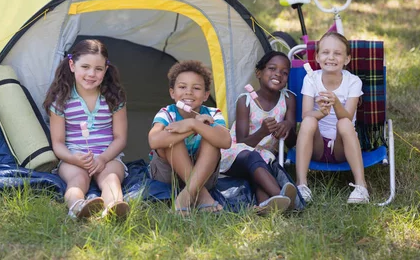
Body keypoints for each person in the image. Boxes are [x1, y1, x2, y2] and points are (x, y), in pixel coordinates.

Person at [44, 39, 129, 220]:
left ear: (105, 70)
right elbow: (57, 144)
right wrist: (73, 158)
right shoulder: (61, 100)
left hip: (108, 155)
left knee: (111, 178)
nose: (91, 74)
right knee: (77, 180)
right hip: (74, 157)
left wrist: (103, 158)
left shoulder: (113, 98)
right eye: (85, 67)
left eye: (98, 69)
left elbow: (120, 138)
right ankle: (77, 207)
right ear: (72, 65)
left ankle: (113, 208)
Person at [220, 51, 298, 214]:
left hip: (264, 157)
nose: (278, 74)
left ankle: (265, 204)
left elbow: (291, 143)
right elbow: (242, 143)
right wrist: (262, 132)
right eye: (272, 68)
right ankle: (282, 195)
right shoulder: (245, 101)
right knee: (254, 156)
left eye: (285, 72)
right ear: (259, 73)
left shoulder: (289, 99)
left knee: (263, 163)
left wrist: (286, 128)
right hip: (236, 154)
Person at [148, 60, 231, 215]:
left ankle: (186, 196)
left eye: (196, 88)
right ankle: (203, 196)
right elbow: (154, 141)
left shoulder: (212, 114)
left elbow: (225, 141)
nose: (189, 92)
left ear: (206, 95)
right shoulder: (167, 113)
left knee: (211, 139)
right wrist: (188, 128)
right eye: (182, 87)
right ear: (172, 93)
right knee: (172, 138)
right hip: (168, 175)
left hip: (204, 174)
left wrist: (194, 124)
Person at [295, 32, 368, 204]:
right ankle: (301, 184)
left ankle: (361, 186)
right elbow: (305, 115)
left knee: (343, 123)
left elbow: (348, 116)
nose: (331, 57)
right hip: (316, 146)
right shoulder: (311, 79)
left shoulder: (353, 81)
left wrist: (335, 103)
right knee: (309, 121)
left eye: (337, 53)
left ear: (347, 59)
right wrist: (321, 112)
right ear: (318, 57)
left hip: (343, 148)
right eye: (326, 52)